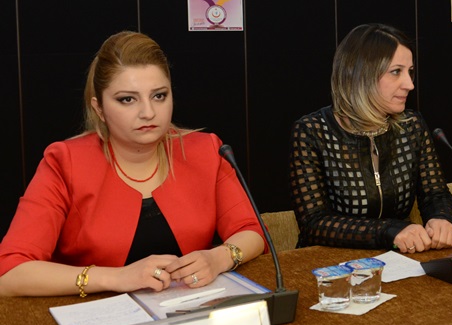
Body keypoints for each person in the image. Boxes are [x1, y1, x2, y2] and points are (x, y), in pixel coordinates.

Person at [0, 31, 266, 297]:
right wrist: (116, 277)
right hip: (95, 313)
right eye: (127, 99)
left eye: (159, 96)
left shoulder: (206, 150)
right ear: (99, 108)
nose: (148, 112)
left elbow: (251, 231)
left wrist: (219, 257)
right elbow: (9, 273)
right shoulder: (64, 161)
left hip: (191, 310)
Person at [290, 24, 452, 253]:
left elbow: (435, 194)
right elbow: (314, 223)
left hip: (398, 260)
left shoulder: (411, 125)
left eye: (410, 71)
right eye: (396, 71)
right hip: (329, 263)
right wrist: (389, 230)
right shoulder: (312, 131)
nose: (410, 84)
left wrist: (443, 217)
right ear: (361, 75)